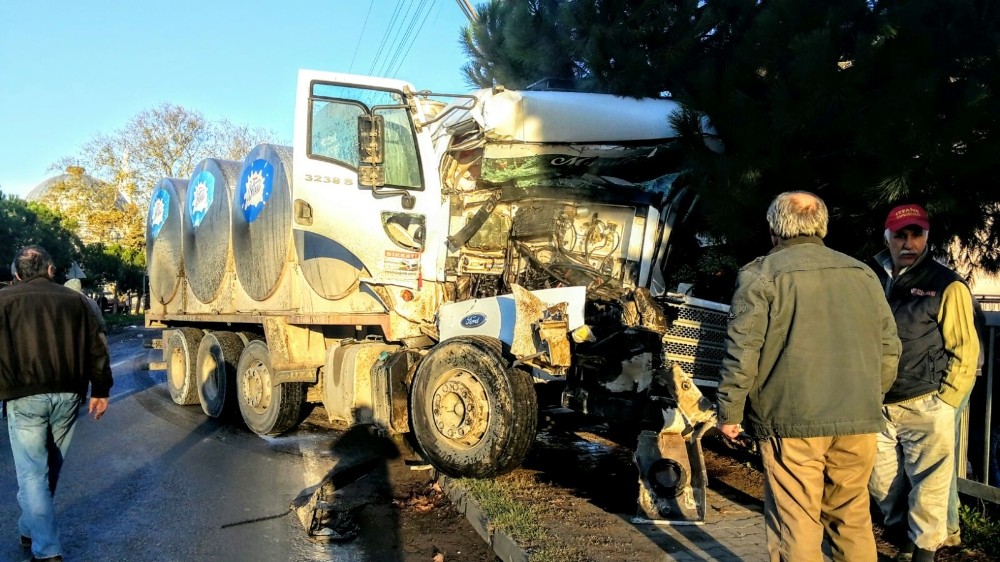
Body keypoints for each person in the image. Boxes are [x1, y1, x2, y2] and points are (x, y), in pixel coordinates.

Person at [716, 191, 901, 562]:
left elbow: (743, 351)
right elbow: (890, 348)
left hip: (791, 421)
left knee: (796, 522)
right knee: (852, 518)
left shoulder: (760, 275)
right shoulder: (863, 273)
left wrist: (729, 411)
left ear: (773, 229)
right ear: (823, 226)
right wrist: (868, 395)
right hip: (859, 419)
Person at [868, 204, 980, 561]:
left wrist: (945, 402)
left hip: (925, 400)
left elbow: (965, 350)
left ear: (927, 237)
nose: (908, 242)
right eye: (900, 234)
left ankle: (925, 550)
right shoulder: (871, 277)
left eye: (916, 234)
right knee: (881, 480)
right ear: (886, 236)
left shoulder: (946, 285)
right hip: (877, 403)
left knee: (930, 483)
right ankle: (905, 533)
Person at [0, 246, 113, 562]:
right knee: (48, 471)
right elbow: (98, 347)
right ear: (51, 270)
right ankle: (29, 528)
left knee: (34, 474)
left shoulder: (3, 300)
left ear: (17, 274)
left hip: (23, 397)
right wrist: (101, 390)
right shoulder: (79, 301)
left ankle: (47, 550)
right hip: (69, 396)